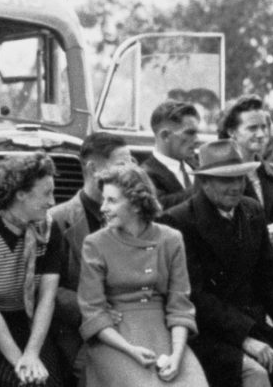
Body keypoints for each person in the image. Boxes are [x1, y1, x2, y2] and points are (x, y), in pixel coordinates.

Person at [158, 140, 273, 387]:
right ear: (205, 182)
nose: (236, 187)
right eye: (226, 180)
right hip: (207, 334)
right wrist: (245, 340)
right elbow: (195, 296)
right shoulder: (179, 220)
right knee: (256, 374)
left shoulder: (251, 210)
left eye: (240, 178)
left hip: (253, 328)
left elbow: (271, 277)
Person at [77, 165, 208, 386]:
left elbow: (180, 306)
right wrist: (130, 350)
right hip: (114, 337)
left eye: (111, 201)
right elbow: (93, 312)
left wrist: (177, 356)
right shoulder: (95, 244)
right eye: (103, 200)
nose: (103, 208)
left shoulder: (171, 239)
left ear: (136, 205)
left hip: (164, 332)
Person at [0, 153, 73, 386]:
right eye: (46, 193)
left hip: (34, 325)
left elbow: (46, 298)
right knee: (12, 381)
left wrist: (32, 353)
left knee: (48, 382)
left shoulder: (49, 232)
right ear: (20, 194)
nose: (52, 202)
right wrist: (20, 362)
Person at [47, 132, 134, 384]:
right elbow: (50, 289)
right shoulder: (58, 220)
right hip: (82, 340)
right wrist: (94, 311)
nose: (129, 171)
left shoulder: (134, 216)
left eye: (131, 163)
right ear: (93, 168)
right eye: (122, 163)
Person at [218, 95, 273, 258]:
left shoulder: (272, 175)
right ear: (232, 132)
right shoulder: (218, 175)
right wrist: (263, 240)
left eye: (264, 127)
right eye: (252, 128)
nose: (261, 134)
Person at [141, 100, 204, 208]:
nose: (198, 140)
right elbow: (160, 208)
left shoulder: (199, 165)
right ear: (165, 136)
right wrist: (209, 188)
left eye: (197, 133)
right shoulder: (143, 176)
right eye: (190, 133)